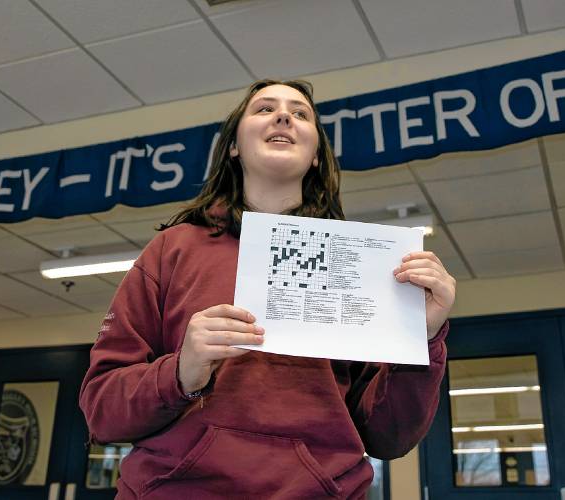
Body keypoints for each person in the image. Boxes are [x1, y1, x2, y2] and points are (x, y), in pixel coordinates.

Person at [79, 79, 456, 499]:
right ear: (234, 147)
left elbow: (389, 438)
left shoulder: (359, 265)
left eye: (300, 113)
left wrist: (419, 338)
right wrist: (182, 371)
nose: (283, 117)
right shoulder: (173, 249)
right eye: (264, 109)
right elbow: (102, 411)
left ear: (316, 156)